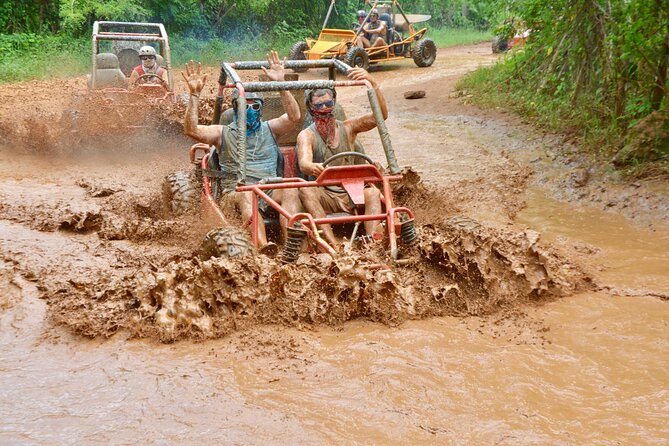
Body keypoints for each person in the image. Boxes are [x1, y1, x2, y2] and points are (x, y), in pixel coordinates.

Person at [181, 51, 302, 251]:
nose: (251, 109)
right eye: (246, 104)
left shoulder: (269, 128)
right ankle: (263, 246)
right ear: (236, 107)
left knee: (290, 188)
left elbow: (294, 117)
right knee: (247, 193)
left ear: (261, 108)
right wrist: (194, 95)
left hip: (269, 188)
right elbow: (191, 130)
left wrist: (281, 84)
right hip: (236, 193)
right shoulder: (222, 132)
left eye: (256, 105)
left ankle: (291, 244)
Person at [296, 67, 388, 250]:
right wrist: (312, 166)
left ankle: (373, 242)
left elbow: (381, 116)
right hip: (326, 193)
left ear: (334, 104)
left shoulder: (348, 128)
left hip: (352, 190)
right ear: (311, 108)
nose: (324, 109)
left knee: (373, 192)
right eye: (319, 106)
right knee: (305, 190)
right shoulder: (307, 135)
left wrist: (373, 83)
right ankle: (331, 243)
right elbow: (304, 163)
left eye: (328, 104)